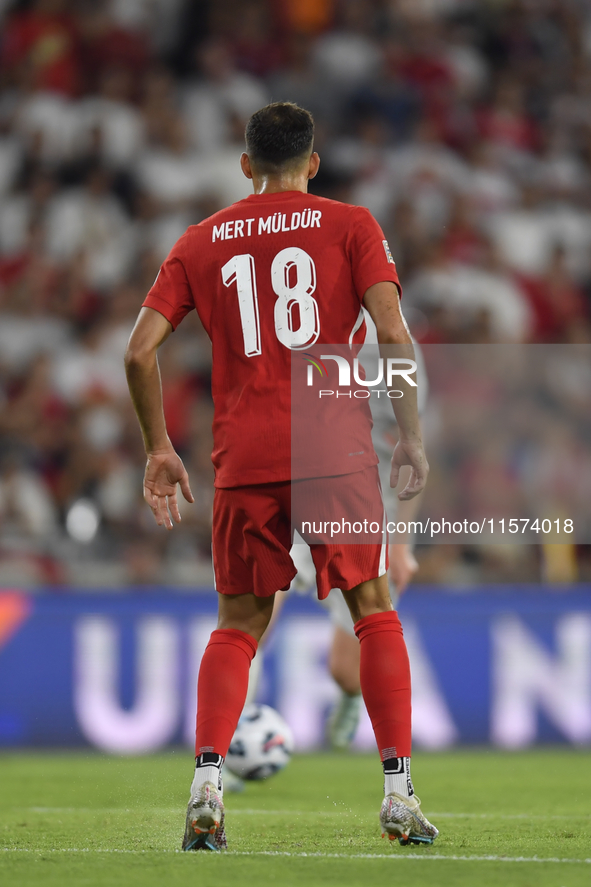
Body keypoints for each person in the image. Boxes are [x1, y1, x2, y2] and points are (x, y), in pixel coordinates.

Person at [124, 101, 437, 852]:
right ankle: (397, 794)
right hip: (333, 447)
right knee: (372, 603)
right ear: (313, 163)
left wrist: (158, 448)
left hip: (244, 457)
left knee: (238, 625)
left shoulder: (199, 241)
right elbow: (391, 330)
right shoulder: (351, 224)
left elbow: (138, 352)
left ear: (244, 165)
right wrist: (412, 437)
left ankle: (205, 786)